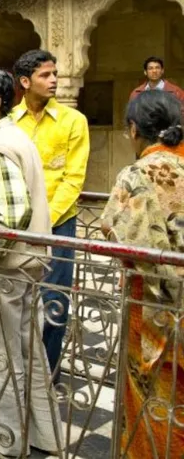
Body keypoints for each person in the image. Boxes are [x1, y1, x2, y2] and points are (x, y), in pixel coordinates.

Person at [0, 69, 62, 457]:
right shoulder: (17, 137)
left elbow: (15, 212)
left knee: (0, 352)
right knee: (27, 349)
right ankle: (44, 435)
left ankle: (4, 440)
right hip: (29, 261)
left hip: (7, 268)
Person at [101, 90, 184, 459]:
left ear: (134, 129)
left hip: (150, 304)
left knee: (150, 390)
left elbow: (112, 229)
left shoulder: (135, 175)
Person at [11, 49, 90, 381]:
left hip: (58, 223)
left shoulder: (74, 121)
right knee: (16, 295)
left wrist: (44, 220)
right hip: (18, 225)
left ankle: (48, 372)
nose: (54, 80)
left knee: (54, 298)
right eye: (46, 75)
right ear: (25, 82)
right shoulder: (11, 120)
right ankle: (20, 369)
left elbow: (73, 179)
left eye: (55, 73)